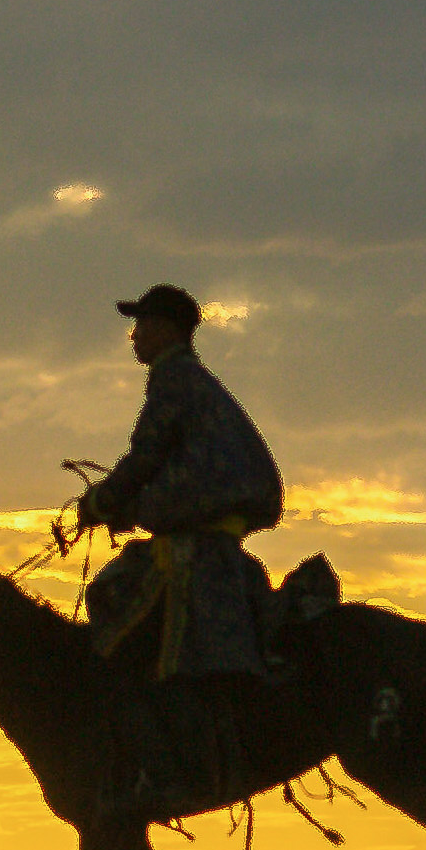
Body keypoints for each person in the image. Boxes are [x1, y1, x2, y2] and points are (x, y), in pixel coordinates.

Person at [73, 284, 284, 681]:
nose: (134, 335)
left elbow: (147, 455)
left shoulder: (174, 376)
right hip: (215, 526)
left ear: (168, 329)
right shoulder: (196, 380)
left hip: (198, 540)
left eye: (142, 324)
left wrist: (101, 501)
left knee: (113, 597)